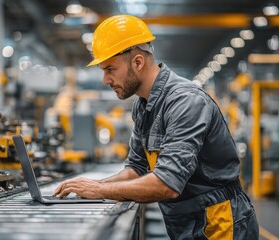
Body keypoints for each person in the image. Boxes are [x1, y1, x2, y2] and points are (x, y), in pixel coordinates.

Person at [53, 14, 258, 239]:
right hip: (188, 223)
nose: (105, 80)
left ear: (138, 62)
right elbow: (137, 168)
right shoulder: (143, 106)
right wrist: (91, 186)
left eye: (110, 69)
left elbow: (167, 184)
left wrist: (100, 190)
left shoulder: (186, 102)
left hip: (219, 223)